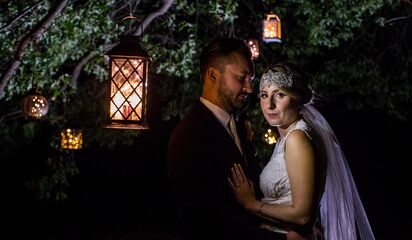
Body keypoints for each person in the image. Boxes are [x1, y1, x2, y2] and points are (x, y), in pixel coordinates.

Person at [228, 63, 375, 240]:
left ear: (297, 99)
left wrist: (251, 204)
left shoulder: (297, 138)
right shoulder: (287, 137)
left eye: (280, 95)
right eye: (264, 95)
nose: (269, 105)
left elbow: (303, 216)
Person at [167, 37, 263, 240]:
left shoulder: (238, 126)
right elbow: (207, 220)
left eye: (250, 80)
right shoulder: (189, 135)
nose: (249, 88)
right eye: (241, 78)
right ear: (213, 74)